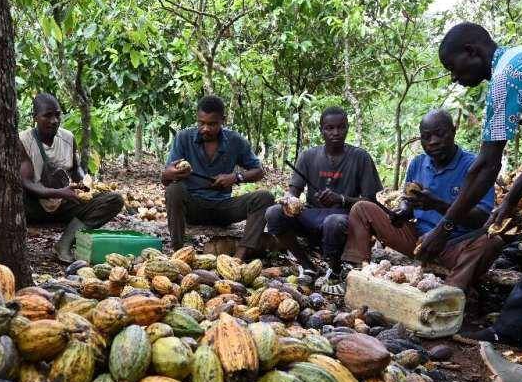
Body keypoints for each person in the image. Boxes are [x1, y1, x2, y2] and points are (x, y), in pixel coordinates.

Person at [420, 23, 522, 349]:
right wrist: (511, 199)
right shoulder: (521, 61)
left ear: (472, 52)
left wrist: (443, 229)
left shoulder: (505, 77)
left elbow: (486, 166)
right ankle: (509, 330)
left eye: (452, 68)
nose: (454, 78)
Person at [340, 109, 503, 290]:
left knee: (491, 243)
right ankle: (357, 273)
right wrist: (403, 211)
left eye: (440, 134)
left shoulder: (473, 166)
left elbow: (481, 218)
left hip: (454, 245)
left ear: (453, 130)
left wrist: (438, 205)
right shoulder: (418, 163)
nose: (433, 141)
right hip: (418, 241)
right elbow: (408, 198)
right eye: (426, 137)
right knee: (362, 208)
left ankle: (449, 293)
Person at [266, 107, 382, 273]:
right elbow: (293, 192)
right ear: (321, 130)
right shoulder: (308, 156)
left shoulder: (360, 157)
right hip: (311, 215)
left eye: (341, 127)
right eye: (329, 128)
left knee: (333, 222)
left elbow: (370, 202)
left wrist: (341, 199)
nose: (336, 132)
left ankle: (334, 270)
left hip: (344, 217)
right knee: (274, 213)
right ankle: (307, 265)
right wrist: (288, 200)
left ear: (347, 128)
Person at [162, 96, 274, 260]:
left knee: (265, 197)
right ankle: (178, 253)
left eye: (212, 124)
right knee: (174, 189)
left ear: (223, 120)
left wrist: (236, 177)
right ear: (197, 119)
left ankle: (239, 257)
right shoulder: (183, 138)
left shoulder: (235, 141)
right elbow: (165, 179)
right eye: (202, 123)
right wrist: (170, 173)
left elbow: (259, 171)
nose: (205, 128)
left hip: (224, 208)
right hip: (193, 206)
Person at [20, 93, 123, 263]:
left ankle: (65, 244)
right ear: (35, 118)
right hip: (33, 207)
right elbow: (26, 182)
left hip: (63, 204)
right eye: (47, 115)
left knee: (114, 200)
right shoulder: (24, 140)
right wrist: (60, 192)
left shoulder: (67, 138)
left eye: (57, 115)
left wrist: (86, 184)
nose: (54, 120)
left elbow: (76, 170)